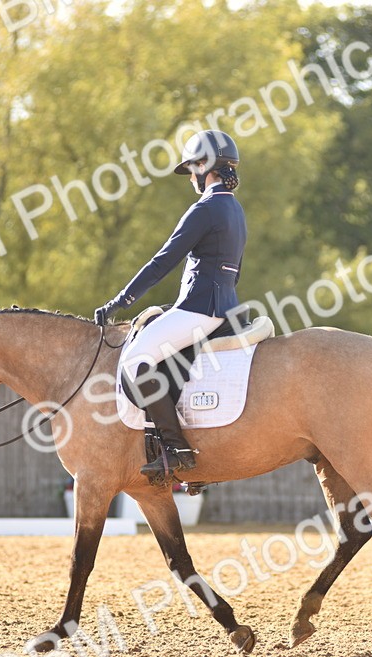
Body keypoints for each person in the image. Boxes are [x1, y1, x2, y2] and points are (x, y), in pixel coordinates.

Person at [94, 129, 247, 483]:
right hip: (222, 306)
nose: (191, 175)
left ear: (206, 166)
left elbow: (163, 261)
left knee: (135, 360)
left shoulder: (205, 208)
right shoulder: (234, 209)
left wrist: (122, 300)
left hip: (200, 308)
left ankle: (175, 448)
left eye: (193, 166)